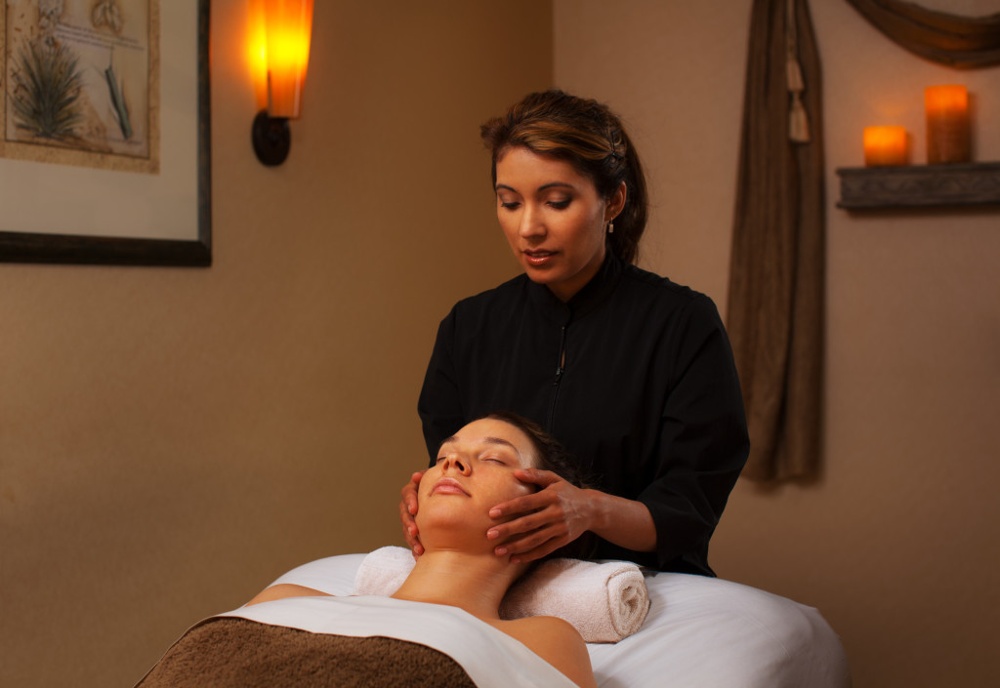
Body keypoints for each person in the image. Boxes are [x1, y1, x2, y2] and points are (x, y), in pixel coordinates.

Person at [402, 89, 749, 576]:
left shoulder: (682, 324)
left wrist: (590, 510)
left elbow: (689, 509)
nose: (529, 227)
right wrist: (435, 492)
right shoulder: (469, 327)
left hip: (640, 585)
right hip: (500, 581)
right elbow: (459, 467)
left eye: (556, 201)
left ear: (614, 202)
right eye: (509, 202)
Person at [248, 413, 597, 688]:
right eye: (443, 455)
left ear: (547, 514)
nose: (452, 462)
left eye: (494, 458)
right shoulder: (284, 599)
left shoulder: (542, 640)